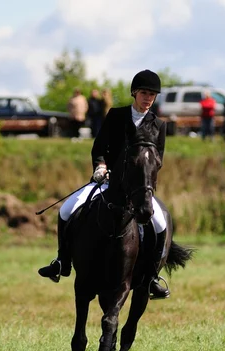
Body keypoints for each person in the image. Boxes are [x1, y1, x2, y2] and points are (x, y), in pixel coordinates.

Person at [38, 69, 171, 300]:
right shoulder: (116, 116)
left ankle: (151, 278)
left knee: (160, 224)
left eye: (152, 94)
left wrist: (143, 182)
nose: (148, 98)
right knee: (67, 209)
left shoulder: (159, 125)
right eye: (144, 93)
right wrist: (100, 166)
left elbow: (157, 160)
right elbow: (99, 147)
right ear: (134, 93)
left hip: (139, 190)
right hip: (107, 181)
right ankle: (62, 261)